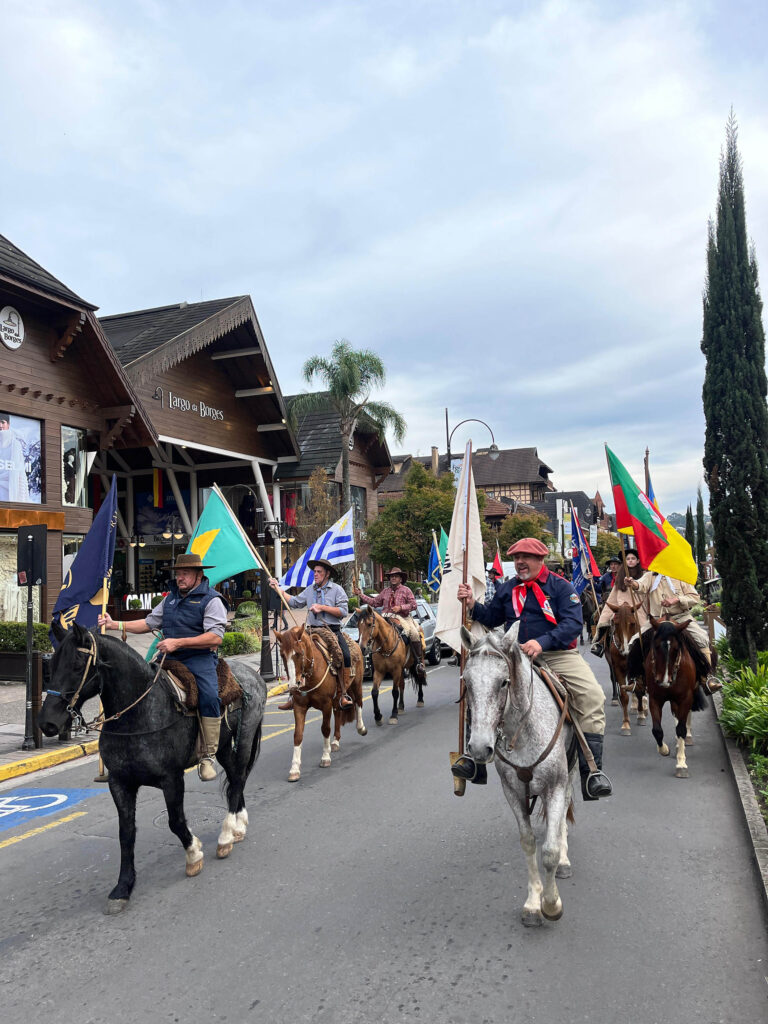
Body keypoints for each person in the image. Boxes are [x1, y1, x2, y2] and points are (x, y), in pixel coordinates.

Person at [456, 537, 612, 801]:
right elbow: (493, 617)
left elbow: (573, 623)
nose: (519, 562)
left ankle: (591, 773)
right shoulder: (507, 589)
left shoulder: (562, 588)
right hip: (516, 657)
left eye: (526, 557)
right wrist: (472, 604)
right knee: (481, 690)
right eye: (516, 558)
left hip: (559, 655)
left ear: (541, 560)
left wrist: (542, 642)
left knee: (593, 697)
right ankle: (475, 761)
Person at [98, 552, 227, 781]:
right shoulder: (171, 599)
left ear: (199, 575)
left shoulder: (212, 600)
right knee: (138, 684)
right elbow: (149, 623)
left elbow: (215, 637)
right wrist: (115, 623)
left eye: (185, 573)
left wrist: (178, 642)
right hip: (169, 658)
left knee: (209, 696)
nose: (180, 578)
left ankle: (208, 755)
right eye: (178, 574)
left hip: (199, 659)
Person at [269, 558, 353, 710]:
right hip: (311, 630)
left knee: (345, 656)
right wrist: (278, 589)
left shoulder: (337, 590)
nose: (315, 574)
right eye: (315, 571)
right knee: (294, 654)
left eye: (319, 572)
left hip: (330, 630)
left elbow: (343, 611)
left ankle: (343, 694)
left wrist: (322, 607)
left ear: (327, 574)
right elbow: (294, 602)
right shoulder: (310, 589)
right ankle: (292, 696)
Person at [625, 570, 722, 693]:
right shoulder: (650, 576)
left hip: (681, 617)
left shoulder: (681, 575)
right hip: (657, 620)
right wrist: (632, 583)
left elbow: (694, 597)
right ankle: (637, 680)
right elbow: (640, 585)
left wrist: (677, 599)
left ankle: (707, 678)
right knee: (634, 641)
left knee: (702, 638)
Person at [353, 567, 427, 682]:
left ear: (400, 579)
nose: (393, 578)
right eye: (391, 576)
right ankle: (375, 661)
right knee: (373, 632)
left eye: (396, 576)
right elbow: (374, 602)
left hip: (403, 617)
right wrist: (360, 594)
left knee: (414, 633)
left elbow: (413, 604)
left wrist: (401, 607)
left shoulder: (406, 590)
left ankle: (418, 663)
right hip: (386, 618)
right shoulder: (385, 591)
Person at [590, 548, 646, 656]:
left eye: (633, 558)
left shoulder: (644, 575)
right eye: (628, 559)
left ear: (638, 561)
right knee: (603, 618)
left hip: (638, 608)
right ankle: (600, 643)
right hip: (619, 607)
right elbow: (613, 595)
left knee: (649, 627)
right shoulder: (615, 577)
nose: (630, 561)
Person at [0, 412, 30, 502]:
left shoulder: (16, 445)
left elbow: (21, 474)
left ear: (8, 424)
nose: (0, 425)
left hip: (11, 493)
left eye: (2, 422)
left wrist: (22, 500)